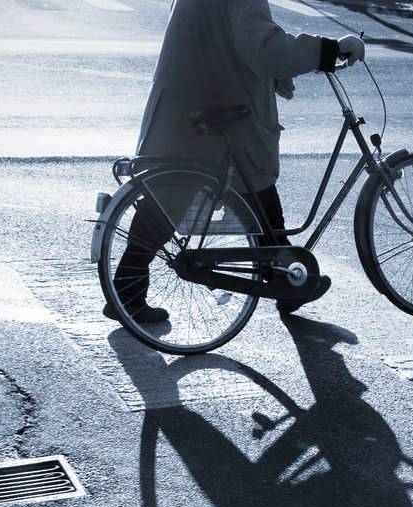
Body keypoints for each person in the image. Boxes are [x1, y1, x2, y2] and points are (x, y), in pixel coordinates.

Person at [107, 0, 366, 324]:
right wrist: (330, 49)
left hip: (189, 104)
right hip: (216, 109)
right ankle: (284, 279)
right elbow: (266, 49)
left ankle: (127, 290)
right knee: (248, 189)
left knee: (172, 197)